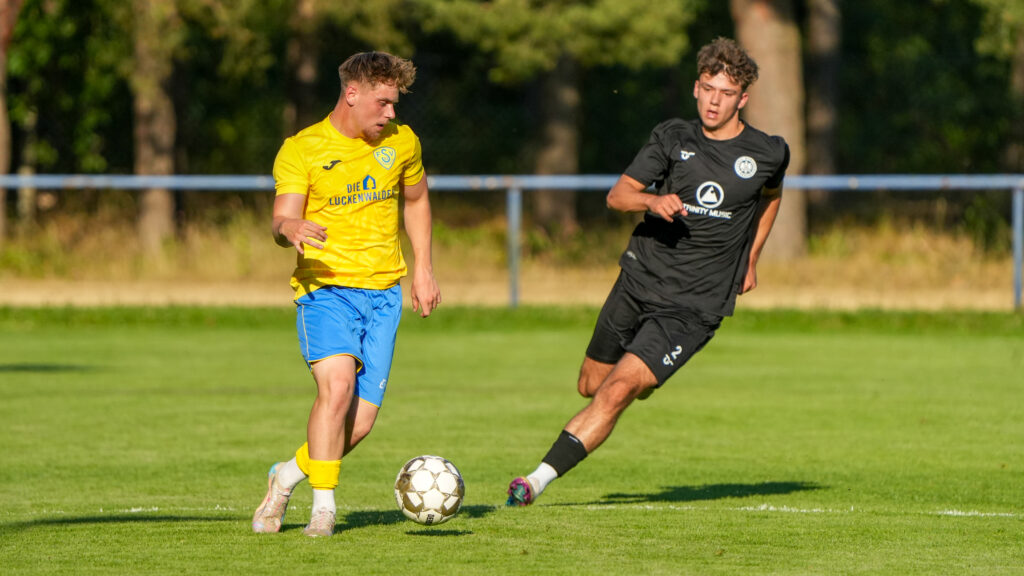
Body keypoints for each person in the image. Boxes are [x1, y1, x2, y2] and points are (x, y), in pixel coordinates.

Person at [506, 37, 789, 507]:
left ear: (743, 98)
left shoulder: (768, 152)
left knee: (616, 390)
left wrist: (752, 258)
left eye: (725, 92)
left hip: (695, 305)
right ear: (696, 89)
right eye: (706, 88)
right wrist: (652, 201)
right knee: (591, 386)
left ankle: (534, 481)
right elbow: (617, 196)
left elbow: (771, 198)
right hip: (638, 281)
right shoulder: (673, 137)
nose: (714, 100)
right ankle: (644, 371)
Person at [252, 51, 441, 537]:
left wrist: (424, 269)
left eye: (395, 103)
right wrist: (288, 226)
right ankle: (323, 509)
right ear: (351, 94)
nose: (391, 114)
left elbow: (417, 201)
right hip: (326, 289)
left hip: (383, 294)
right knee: (334, 390)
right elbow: (280, 220)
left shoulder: (403, 143)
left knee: (356, 426)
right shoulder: (303, 148)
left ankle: (287, 474)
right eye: (383, 103)